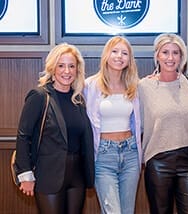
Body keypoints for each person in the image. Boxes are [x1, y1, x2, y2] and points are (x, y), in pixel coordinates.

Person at [15, 43, 95, 214]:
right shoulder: (39, 96)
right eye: (61, 65)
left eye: (71, 66)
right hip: (48, 176)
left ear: (77, 70)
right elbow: (23, 136)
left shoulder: (78, 99)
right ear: (52, 68)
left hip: (77, 178)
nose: (67, 71)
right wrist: (25, 174)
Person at [138, 33, 188, 214]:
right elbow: (138, 124)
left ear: (182, 57)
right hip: (158, 161)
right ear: (157, 55)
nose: (170, 57)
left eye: (176, 53)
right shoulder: (144, 87)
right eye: (165, 52)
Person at [84, 36, 142, 214]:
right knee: (112, 211)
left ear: (129, 59)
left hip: (130, 153)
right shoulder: (90, 85)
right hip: (103, 155)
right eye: (115, 51)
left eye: (124, 53)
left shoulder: (134, 86)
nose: (119, 56)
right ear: (106, 55)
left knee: (127, 211)